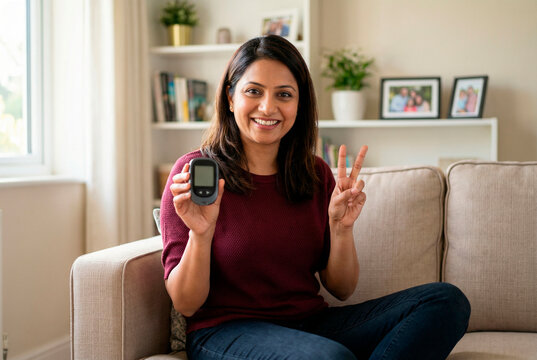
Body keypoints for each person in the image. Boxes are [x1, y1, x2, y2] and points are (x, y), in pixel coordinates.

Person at [160, 35, 470, 360]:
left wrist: (341, 228)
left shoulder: (314, 173)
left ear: (300, 103)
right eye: (254, 91)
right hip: (225, 332)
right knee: (328, 358)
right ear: (230, 97)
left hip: (309, 324)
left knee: (445, 301)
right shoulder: (193, 173)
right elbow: (186, 303)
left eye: (284, 95)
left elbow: (341, 288)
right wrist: (201, 232)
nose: (268, 107)